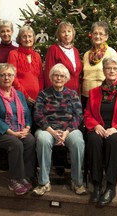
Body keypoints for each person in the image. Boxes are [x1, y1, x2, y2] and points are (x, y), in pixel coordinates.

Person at [84, 56, 117, 207]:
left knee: (113, 141)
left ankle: (110, 186)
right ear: (104, 71)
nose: (112, 71)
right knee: (93, 140)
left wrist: (115, 128)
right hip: (99, 128)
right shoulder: (94, 92)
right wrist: (95, 125)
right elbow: (87, 113)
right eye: (108, 68)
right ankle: (96, 184)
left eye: (115, 68)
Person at [32, 63, 87, 196]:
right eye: (56, 75)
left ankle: (77, 182)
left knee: (78, 142)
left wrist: (66, 132)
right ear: (51, 77)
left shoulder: (72, 95)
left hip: (69, 130)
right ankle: (44, 182)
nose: (58, 78)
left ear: (66, 78)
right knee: (43, 140)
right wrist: (52, 132)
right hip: (48, 130)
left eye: (62, 76)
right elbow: (38, 115)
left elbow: (78, 116)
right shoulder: (43, 94)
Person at [0, 63, 36, 195]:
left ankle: (26, 176)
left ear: (14, 77)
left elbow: (27, 114)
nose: (6, 78)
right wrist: (12, 133)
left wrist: (28, 128)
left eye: (9, 75)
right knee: (15, 143)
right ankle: (15, 180)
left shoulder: (19, 94)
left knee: (30, 140)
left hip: (19, 129)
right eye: (3, 75)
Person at [81, 21, 117, 110]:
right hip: (86, 96)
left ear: (106, 37)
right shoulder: (86, 54)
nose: (98, 36)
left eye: (101, 34)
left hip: (103, 96)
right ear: (92, 35)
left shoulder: (111, 53)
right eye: (95, 33)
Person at [7, 25, 43, 108]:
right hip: (20, 98)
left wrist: (40, 96)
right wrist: (25, 96)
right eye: (24, 36)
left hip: (37, 100)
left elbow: (41, 78)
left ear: (33, 38)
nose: (27, 39)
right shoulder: (13, 54)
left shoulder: (37, 56)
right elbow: (12, 78)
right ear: (19, 39)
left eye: (30, 36)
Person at [44, 21, 82, 94]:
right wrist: (52, 94)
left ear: (73, 34)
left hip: (74, 94)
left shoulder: (75, 51)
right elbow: (48, 73)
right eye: (63, 32)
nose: (66, 34)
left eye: (69, 31)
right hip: (59, 93)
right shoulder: (54, 49)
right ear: (59, 35)